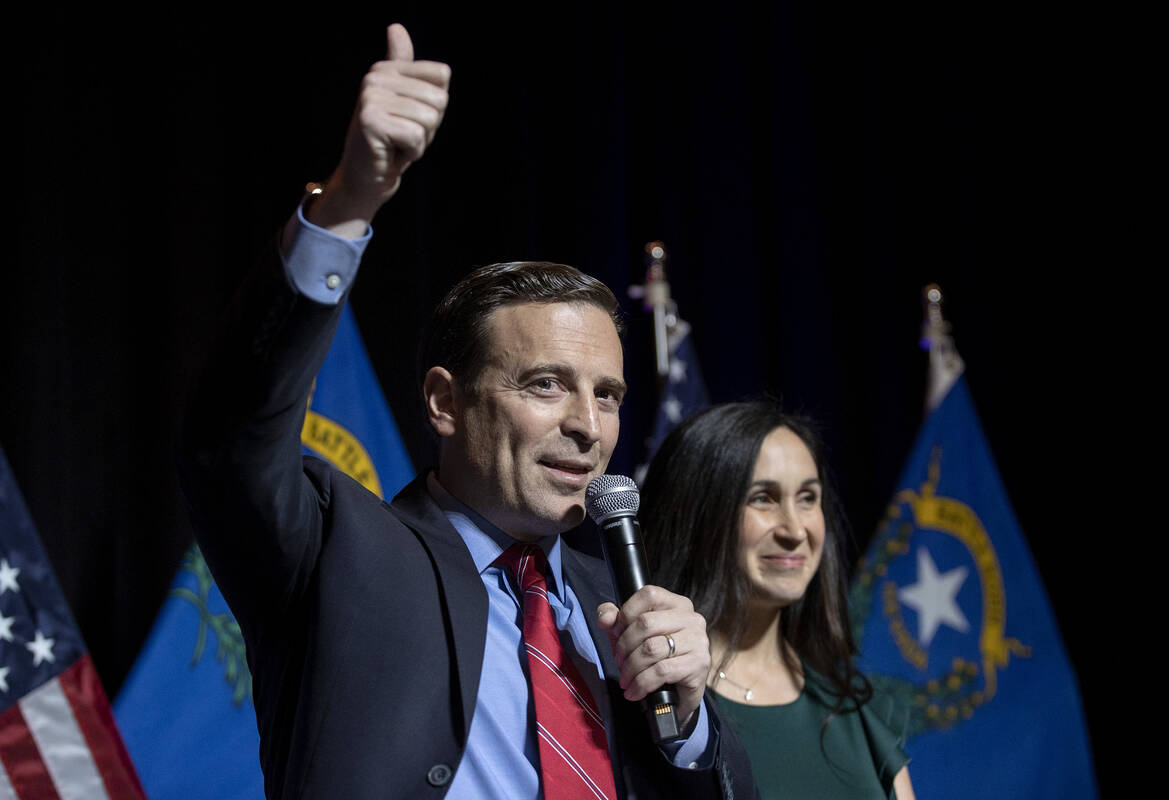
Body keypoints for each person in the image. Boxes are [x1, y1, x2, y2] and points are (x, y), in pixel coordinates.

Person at [178, 22, 757, 800]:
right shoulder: (334, 553)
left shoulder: (620, 599)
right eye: (547, 384)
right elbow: (232, 437)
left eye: (609, 395)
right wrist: (349, 202)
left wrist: (688, 727)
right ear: (445, 402)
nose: (590, 425)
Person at [639, 401, 917, 800]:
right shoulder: (660, 708)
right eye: (763, 498)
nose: (795, 529)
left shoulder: (859, 714)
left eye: (807, 498)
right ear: (700, 514)